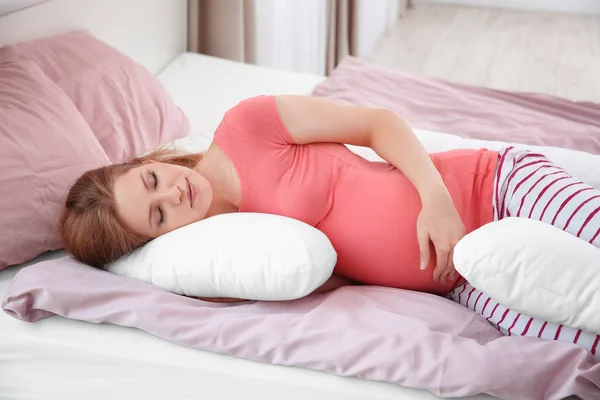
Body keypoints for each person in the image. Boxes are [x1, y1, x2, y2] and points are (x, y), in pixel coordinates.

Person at [61, 95, 600, 356]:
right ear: (158, 241)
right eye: (158, 215)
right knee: (573, 342)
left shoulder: (246, 125)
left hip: (491, 187)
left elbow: (377, 123)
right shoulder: (229, 256)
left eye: (152, 179)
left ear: (146, 162)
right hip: (462, 281)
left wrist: (434, 199)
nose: (173, 193)